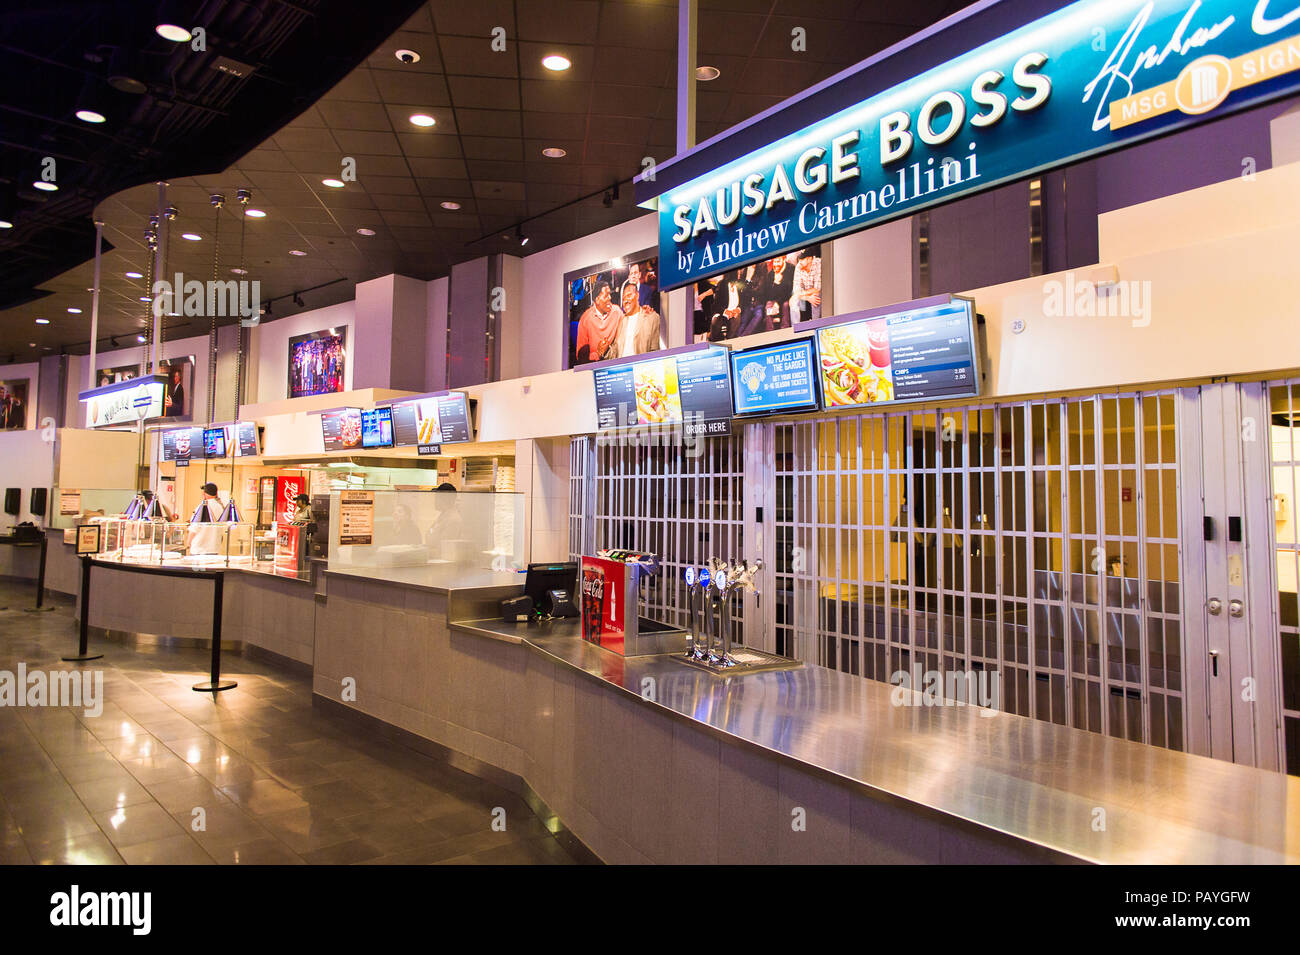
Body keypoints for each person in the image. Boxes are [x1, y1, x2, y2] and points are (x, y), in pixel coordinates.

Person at [574, 280, 624, 364]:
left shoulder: (616, 311)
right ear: (597, 300)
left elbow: (629, 322)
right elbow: (581, 357)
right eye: (606, 296)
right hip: (595, 365)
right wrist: (598, 353)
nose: (610, 298)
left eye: (610, 294)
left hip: (615, 361)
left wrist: (644, 311)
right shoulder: (585, 319)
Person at [617, 279, 662, 358]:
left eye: (629, 295)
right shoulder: (620, 321)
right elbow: (614, 353)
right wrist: (604, 351)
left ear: (637, 295)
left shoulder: (652, 318)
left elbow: (655, 352)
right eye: (623, 299)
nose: (625, 300)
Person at [187, 483, 226, 556]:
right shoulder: (220, 507)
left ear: (204, 493)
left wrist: (188, 542)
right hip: (214, 548)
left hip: (199, 549)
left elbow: (195, 527)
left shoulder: (202, 507)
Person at [793, 248, 822, 323]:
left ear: (809, 259)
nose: (800, 262)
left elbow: (817, 288)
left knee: (816, 296)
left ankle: (816, 324)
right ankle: (795, 328)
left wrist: (802, 294)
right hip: (805, 295)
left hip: (819, 293)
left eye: (802, 259)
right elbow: (796, 289)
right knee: (794, 300)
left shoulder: (819, 263)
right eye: (799, 259)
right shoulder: (799, 266)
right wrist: (808, 298)